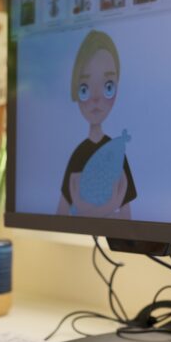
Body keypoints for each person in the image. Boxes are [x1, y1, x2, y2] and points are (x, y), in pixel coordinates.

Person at [57, 30, 137, 218]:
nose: (95, 99)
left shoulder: (116, 152)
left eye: (108, 87)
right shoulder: (78, 155)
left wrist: (106, 210)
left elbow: (127, 216)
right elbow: (61, 213)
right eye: (84, 88)